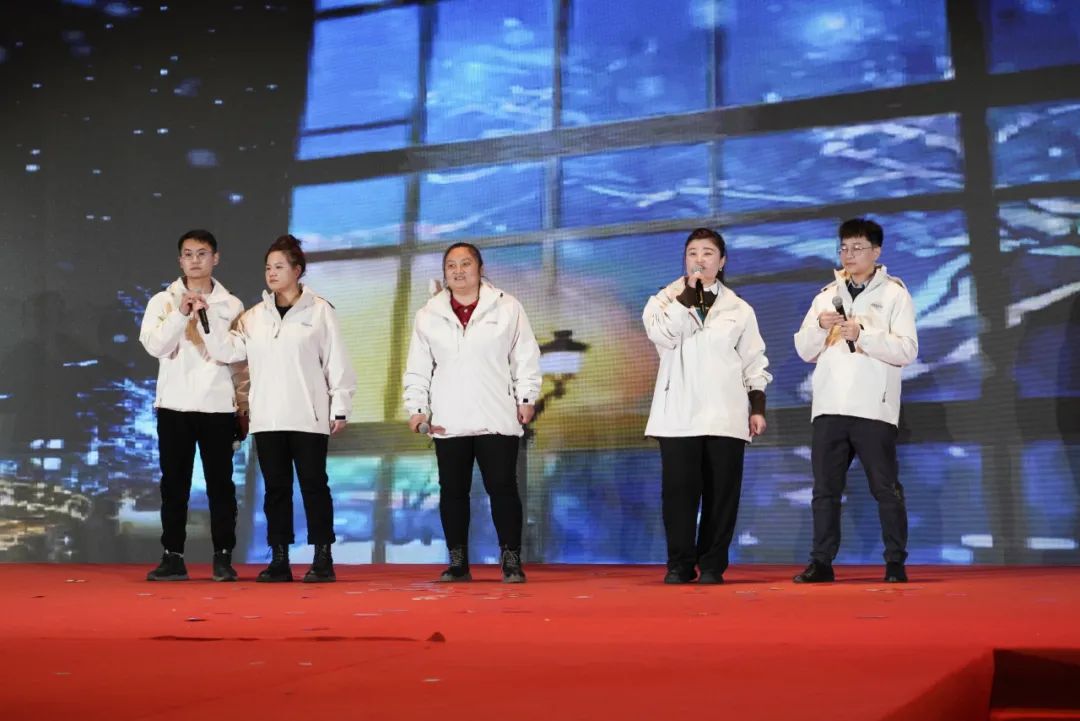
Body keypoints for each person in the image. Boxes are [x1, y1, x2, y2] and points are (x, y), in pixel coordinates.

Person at [198, 234, 356, 583]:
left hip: (309, 416)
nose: (271, 273)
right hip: (268, 418)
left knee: (314, 487)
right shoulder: (254, 317)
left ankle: (323, 558)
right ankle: (280, 559)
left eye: (279, 267)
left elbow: (337, 361)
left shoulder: (320, 311)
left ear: (297, 270)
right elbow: (227, 351)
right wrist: (204, 321)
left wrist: (340, 406)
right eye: (268, 267)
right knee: (275, 490)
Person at [403, 242, 542, 583]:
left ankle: (511, 559)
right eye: (451, 265)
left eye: (466, 263)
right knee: (453, 492)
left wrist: (526, 397)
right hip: (448, 419)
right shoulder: (428, 314)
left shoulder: (507, 307)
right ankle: (458, 562)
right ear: (444, 273)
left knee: (503, 489)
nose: (458, 271)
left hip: (496, 415)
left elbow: (525, 356)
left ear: (480, 269)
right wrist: (417, 408)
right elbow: (418, 367)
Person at [792, 217, 918, 584]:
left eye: (858, 248)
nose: (849, 255)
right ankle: (821, 562)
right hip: (829, 407)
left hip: (873, 408)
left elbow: (907, 350)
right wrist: (820, 327)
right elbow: (803, 350)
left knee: (885, 489)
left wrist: (862, 335)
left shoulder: (894, 294)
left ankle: (895, 562)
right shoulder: (825, 295)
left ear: (876, 252)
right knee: (825, 491)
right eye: (844, 248)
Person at [643, 228, 771, 584]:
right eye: (693, 253)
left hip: (725, 413)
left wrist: (757, 406)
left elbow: (754, 362)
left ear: (722, 261)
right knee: (679, 495)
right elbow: (664, 336)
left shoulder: (739, 309)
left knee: (721, 495)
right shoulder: (662, 301)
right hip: (678, 413)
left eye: (708, 253)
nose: (700, 260)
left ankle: (713, 564)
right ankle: (679, 564)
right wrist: (687, 296)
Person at [139, 229, 248, 582]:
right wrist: (180, 314)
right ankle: (173, 556)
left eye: (202, 253)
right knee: (174, 485)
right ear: (180, 261)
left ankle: (223, 556)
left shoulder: (231, 305)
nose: (195, 260)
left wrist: (243, 406)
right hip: (174, 405)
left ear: (215, 258)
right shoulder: (162, 301)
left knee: (221, 486)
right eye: (188, 254)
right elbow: (155, 346)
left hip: (217, 406)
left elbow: (236, 356)